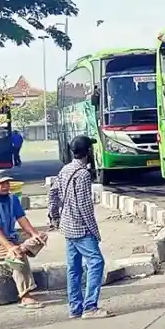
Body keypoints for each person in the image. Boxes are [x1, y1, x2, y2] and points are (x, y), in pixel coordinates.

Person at [48, 135, 111, 319]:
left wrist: (55, 216)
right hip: (81, 227)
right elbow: (85, 206)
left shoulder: (65, 169)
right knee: (96, 263)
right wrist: (94, 231)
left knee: (74, 268)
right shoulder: (82, 174)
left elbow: (52, 193)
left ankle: (75, 308)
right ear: (88, 151)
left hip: (67, 225)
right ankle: (90, 307)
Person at [0, 170, 47, 309]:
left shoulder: (12, 199)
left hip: (12, 237)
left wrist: (34, 234)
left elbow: (21, 218)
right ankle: (25, 296)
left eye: (7, 183)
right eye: (1, 183)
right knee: (18, 258)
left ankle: (21, 248)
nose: (5, 186)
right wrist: (10, 247)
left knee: (42, 236)